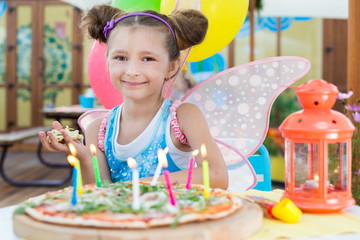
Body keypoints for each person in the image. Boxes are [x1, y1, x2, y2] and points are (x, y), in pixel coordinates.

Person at [38, 4, 228, 189]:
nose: (132, 70)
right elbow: (100, 194)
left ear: (171, 66)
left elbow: (216, 175)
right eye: (120, 58)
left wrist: (134, 187)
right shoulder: (98, 129)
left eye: (148, 59)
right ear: (107, 62)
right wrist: (85, 157)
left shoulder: (182, 117)